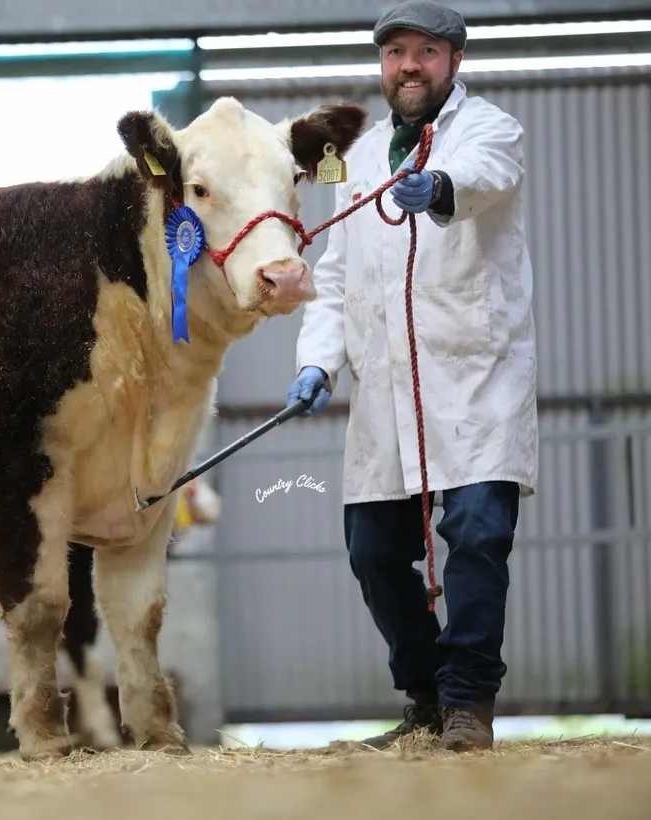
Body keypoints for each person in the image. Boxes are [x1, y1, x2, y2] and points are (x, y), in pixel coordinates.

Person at [287, 0, 538, 752]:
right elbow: (335, 276)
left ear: (453, 62)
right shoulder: (359, 158)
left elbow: (487, 176)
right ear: (381, 65)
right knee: (371, 550)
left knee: (478, 536)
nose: (409, 66)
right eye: (396, 52)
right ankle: (426, 695)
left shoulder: (489, 130)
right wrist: (316, 361)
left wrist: (442, 188)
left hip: (474, 377)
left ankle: (468, 703)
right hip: (385, 387)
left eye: (426, 51)